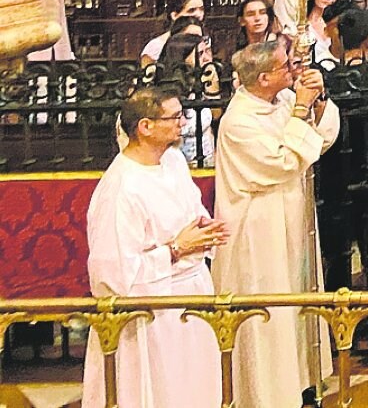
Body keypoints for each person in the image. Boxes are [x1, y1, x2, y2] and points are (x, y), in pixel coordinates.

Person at [211, 40, 340, 408]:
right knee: (270, 316)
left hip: (291, 221)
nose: (293, 71)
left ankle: (301, 383)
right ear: (264, 77)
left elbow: (319, 140)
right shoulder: (238, 121)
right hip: (260, 233)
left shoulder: (279, 101)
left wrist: (317, 100)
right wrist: (300, 107)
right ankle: (267, 395)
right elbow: (282, 162)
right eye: (286, 67)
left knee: (297, 306)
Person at [83, 86, 228, 408]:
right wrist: (175, 249)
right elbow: (113, 275)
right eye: (175, 116)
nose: (184, 123)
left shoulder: (173, 161)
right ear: (145, 127)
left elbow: (191, 210)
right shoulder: (121, 188)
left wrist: (204, 229)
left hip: (192, 294)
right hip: (151, 315)